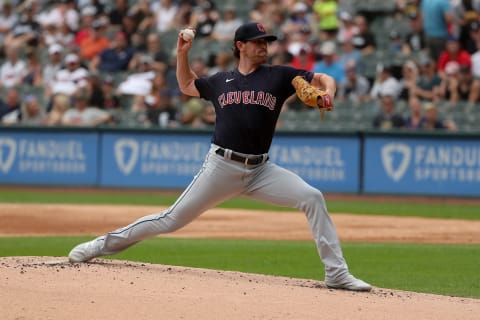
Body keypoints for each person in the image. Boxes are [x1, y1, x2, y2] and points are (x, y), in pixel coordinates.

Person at [68, 22, 372, 292]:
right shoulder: (219, 81)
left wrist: (327, 93)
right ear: (240, 46)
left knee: (313, 197)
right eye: (258, 41)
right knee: (170, 220)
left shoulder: (279, 76)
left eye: (267, 41)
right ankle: (99, 245)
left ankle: (337, 273)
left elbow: (321, 79)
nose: (264, 45)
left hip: (261, 171)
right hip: (221, 166)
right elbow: (187, 85)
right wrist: (182, 53)